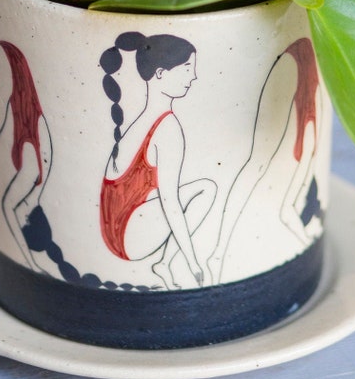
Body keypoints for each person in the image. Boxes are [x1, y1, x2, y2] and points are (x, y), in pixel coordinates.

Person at [99, 31, 216, 290]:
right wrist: (192, 261)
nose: (194, 76)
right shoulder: (166, 128)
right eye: (187, 68)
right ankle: (166, 263)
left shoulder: (136, 123)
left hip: (115, 233)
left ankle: (163, 264)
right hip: (130, 237)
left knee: (200, 187)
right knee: (207, 189)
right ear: (161, 73)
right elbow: (170, 202)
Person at [207, 36, 323, 285]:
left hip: (300, 62)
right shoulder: (306, 156)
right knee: (255, 164)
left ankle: (217, 251)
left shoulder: (305, 155)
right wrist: (304, 239)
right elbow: (287, 211)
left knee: (256, 165)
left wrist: (303, 239)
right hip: (297, 64)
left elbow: (286, 210)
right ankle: (217, 252)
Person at [0, 40, 53, 273]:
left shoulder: (41, 181)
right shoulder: (31, 177)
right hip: (14, 79)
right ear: (28, 218)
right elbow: (8, 208)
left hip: (22, 78)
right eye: (23, 222)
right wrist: (31, 262)